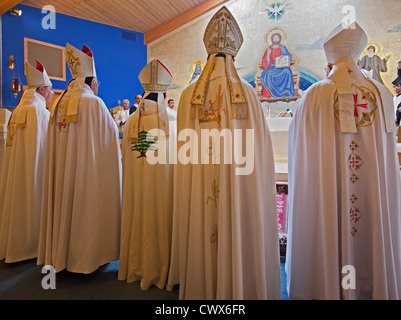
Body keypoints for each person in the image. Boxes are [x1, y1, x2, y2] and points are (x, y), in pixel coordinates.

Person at [170, 6, 281, 300]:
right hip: (237, 183)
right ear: (233, 55)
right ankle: (239, 284)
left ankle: (202, 285)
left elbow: (184, 157)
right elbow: (259, 156)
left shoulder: (186, 97)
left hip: (200, 183)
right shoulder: (246, 93)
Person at [286, 22, 401, 300]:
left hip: (329, 190)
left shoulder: (316, 94)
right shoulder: (381, 94)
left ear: (330, 57)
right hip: (372, 195)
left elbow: (300, 146)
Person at [37, 43, 121, 274]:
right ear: (92, 82)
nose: (98, 87)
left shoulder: (57, 105)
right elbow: (110, 139)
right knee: (86, 203)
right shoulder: (94, 103)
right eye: (97, 84)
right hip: (87, 174)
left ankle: (62, 254)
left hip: (63, 173)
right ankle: (86, 257)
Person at [118, 59, 177, 290]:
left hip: (137, 191)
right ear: (164, 93)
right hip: (162, 191)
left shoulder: (132, 120)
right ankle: (162, 267)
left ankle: (136, 265)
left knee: (138, 210)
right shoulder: (170, 118)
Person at [0, 60, 52, 263]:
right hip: (35, 169)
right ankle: (32, 245)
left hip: (17, 169)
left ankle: (15, 244)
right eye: (49, 90)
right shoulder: (40, 112)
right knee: (33, 198)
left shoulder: (19, 110)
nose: (51, 94)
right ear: (41, 89)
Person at [261, 31, 295, 98]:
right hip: (271, 68)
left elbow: (289, 57)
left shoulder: (283, 48)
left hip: (281, 67)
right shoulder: (268, 49)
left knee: (287, 71)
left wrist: (284, 56)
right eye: (274, 38)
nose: (276, 40)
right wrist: (268, 54)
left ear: (280, 39)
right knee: (268, 74)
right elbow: (264, 61)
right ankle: (269, 93)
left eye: (277, 38)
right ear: (272, 40)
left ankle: (286, 91)